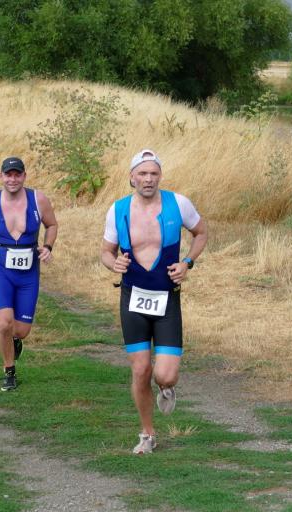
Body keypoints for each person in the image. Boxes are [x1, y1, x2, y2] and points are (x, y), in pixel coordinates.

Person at [101, 149, 207, 454]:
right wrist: (113, 264)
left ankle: (167, 387)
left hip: (167, 299)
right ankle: (147, 434)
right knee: (141, 370)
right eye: (143, 174)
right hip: (133, 298)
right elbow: (106, 252)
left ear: (160, 176)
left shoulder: (179, 204)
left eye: (154, 173)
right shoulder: (118, 209)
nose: (148, 179)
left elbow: (201, 233)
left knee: (165, 375)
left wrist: (187, 262)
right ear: (132, 177)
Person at [0, 157, 58, 391]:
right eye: (8, 175)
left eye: (17, 174)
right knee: (3, 323)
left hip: (29, 274)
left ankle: (15, 340)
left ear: (24, 176)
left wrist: (48, 247)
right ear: (1, 176)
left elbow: (52, 225)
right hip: (0, 271)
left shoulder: (38, 199)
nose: (13, 179)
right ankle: (9, 371)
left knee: (20, 330)